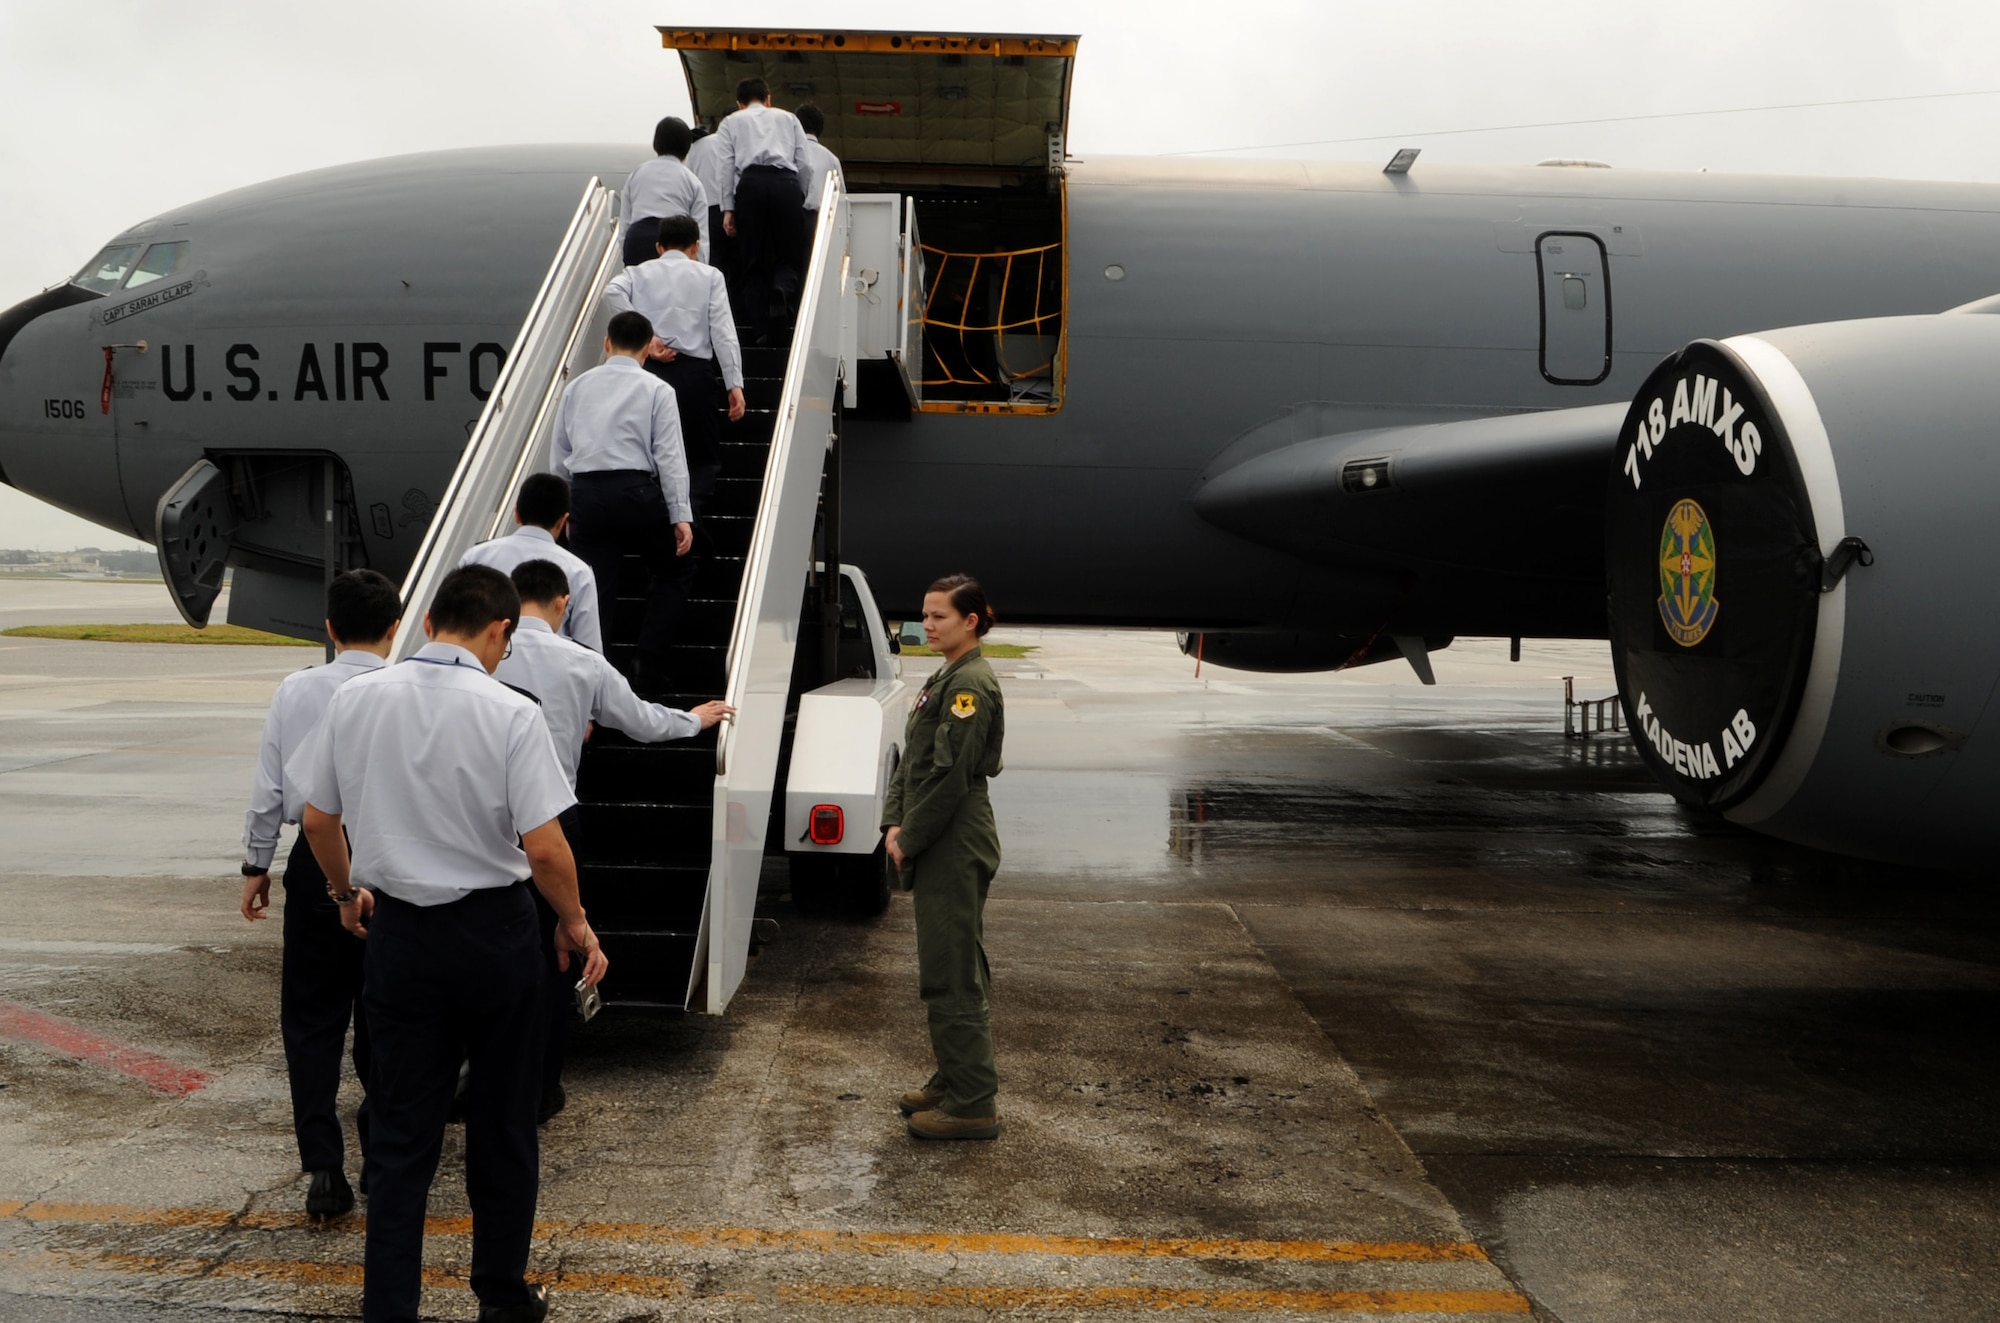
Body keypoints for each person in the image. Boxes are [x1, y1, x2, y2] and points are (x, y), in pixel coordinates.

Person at [296, 564, 607, 1323]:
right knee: (504, 1125)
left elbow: (315, 822)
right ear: (500, 630)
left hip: (400, 935)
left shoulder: (355, 700)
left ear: (429, 619)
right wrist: (574, 920)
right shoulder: (511, 712)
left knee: (402, 1137)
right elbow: (545, 849)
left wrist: (344, 894)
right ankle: (501, 1296)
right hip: (495, 938)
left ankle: (389, 1309)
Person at [495, 558, 732, 1120]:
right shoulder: (581, 661)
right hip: (553, 822)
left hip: (479, 822)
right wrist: (695, 721)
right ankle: (543, 1085)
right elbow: (643, 722)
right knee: (556, 951)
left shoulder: (487, 655)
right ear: (562, 603)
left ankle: (481, 1072)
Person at [240, 568, 402, 1219]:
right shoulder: (406, 688)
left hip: (316, 858)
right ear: (396, 628)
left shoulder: (297, 688)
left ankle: (324, 1169)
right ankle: (382, 1151)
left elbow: (270, 788)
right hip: (393, 859)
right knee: (389, 1016)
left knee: (311, 1019)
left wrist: (255, 862)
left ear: (329, 629)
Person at [882, 575, 1008, 1142]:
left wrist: (910, 835)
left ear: (971, 621)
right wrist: (893, 818)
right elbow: (913, 761)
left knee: (951, 970)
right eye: (925, 616)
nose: (927, 625)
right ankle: (955, 1077)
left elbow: (951, 777)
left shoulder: (970, 686)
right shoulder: (947, 675)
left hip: (953, 835)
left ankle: (972, 1103)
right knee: (948, 961)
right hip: (939, 829)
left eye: (939, 617)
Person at [552, 309, 692, 687]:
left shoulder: (576, 387)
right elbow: (670, 457)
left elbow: (559, 456)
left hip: (586, 495)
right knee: (676, 568)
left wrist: (562, 513)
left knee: (594, 590)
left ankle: (593, 680)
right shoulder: (658, 389)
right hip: (636, 494)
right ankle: (646, 661)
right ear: (649, 349)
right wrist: (680, 514)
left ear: (606, 343)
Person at [603, 213, 746, 519]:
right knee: (699, 457)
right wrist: (735, 384)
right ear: (695, 246)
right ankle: (689, 521)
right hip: (695, 375)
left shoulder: (636, 274)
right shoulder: (710, 276)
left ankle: (656, 518)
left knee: (653, 449)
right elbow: (723, 332)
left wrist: (648, 339)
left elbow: (611, 291)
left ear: (658, 246)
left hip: (649, 372)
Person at [459, 472, 602, 653]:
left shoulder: (475, 556)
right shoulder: (579, 570)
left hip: (484, 662)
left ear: (516, 513)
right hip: (550, 667)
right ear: (563, 521)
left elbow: (458, 622)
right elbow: (588, 646)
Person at [714, 78, 812, 341]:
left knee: (751, 261)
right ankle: (781, 289)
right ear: (769, 98)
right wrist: (797, 195)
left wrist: (728, 209)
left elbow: (724, 167)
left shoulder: (731, 122)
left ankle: (759, 329)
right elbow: (805, 165)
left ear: (739, 103)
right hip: (786, 184)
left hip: (751, 185)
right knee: (789, 255)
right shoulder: (789, 118)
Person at [621, 115, 708, 267]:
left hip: (637, 240)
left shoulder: (637, 174)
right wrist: (701, 266)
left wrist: (627, 253)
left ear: (656, 144)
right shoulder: (692, 181)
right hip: (675, 243)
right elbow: (701, 234)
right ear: (687, 147)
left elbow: (625, 225)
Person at [685, 124, 740, 312]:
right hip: (733, 211)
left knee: (714, 264)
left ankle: (715, 309)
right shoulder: (736, 143)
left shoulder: (697, 148)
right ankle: (737, 312)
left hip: (706, 213)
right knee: (738, 266)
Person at [796, 103, 843, 218]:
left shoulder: (787, 153)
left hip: (790, 218)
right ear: (820, 128)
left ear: (797, 126)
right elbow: (841, 198)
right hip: (819, 220)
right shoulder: (832, 159)